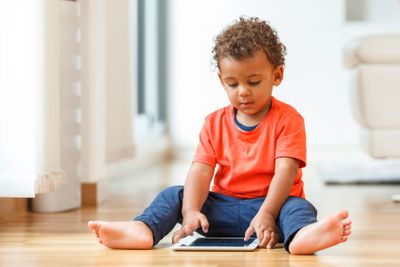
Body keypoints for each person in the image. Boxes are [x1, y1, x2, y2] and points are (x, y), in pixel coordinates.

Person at [88, 17, 352, 255]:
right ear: (221, 81)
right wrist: (191, 211)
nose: (243, 92)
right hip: (222, 209)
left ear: (277, 75)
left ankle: (302, 237)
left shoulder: (288, 119)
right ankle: (143, 229)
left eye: (254, 82)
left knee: (298, 206)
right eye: (233, 84)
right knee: (174, 195)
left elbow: (285, 172)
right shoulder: (213, 122)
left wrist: (268, 214)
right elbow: (201, 171)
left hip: (271, 211)